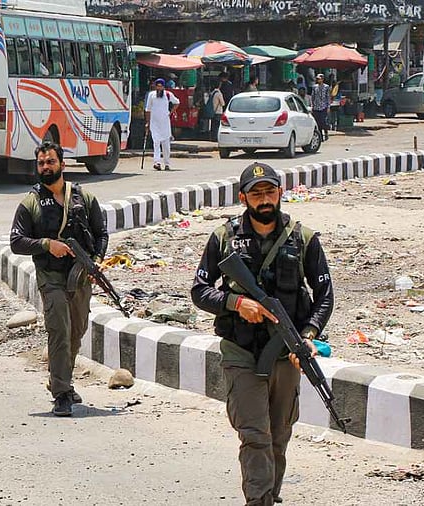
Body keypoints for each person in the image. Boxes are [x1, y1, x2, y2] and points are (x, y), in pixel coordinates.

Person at [191, 162, 334, 506]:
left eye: (270, 191)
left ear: (281, 193)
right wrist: (235, 302)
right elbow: (199, 290)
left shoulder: (304, 238)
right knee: (255, 436)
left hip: (286, 353)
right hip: (241, 352)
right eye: (256, 194)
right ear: (243, 198)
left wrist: (310, 334)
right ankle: (259, 500)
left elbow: (324, 296)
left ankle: (269, 494)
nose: (265, 199)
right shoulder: (224, 238)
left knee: (279, 435)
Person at [8, 141, 108, 417]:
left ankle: (59, 378)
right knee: (59, 331)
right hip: (50, 277)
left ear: (62, 165)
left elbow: (101, 234)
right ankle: (62, 394)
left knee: (77, 331)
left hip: (79, 278)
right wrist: (46, 245)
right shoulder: (31, 203)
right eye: (41, 163)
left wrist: (95, 262)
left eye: (50, 162)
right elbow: (16, 241)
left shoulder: (83, 199)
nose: (46, 167)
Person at [144, 78, 180, 171]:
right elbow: (148, 110)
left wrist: (171, 112)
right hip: (154, 123)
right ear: (155, 86)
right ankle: (157, 162)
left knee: (166, 144)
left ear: (164, 87)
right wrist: (147, 122)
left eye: (161, 86)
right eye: (157, 86)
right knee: (156, 142)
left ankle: (167, 163)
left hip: (165, 123)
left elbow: (177, 102)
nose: (159, 88)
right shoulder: (151, 95)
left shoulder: (168, 95)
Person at [310, 73, 331, 140]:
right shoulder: (314, 87)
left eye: (319, 79)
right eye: (317, 79)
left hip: (323, 107)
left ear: (322, 79)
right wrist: (312, 105)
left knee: (323, 121)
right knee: (317, 122)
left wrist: (328, 107)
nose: (318, 80)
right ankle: (320, 136)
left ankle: (326, 132)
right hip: (316, 107)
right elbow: (312, 96)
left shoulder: (326, 87)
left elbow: (328, 97)